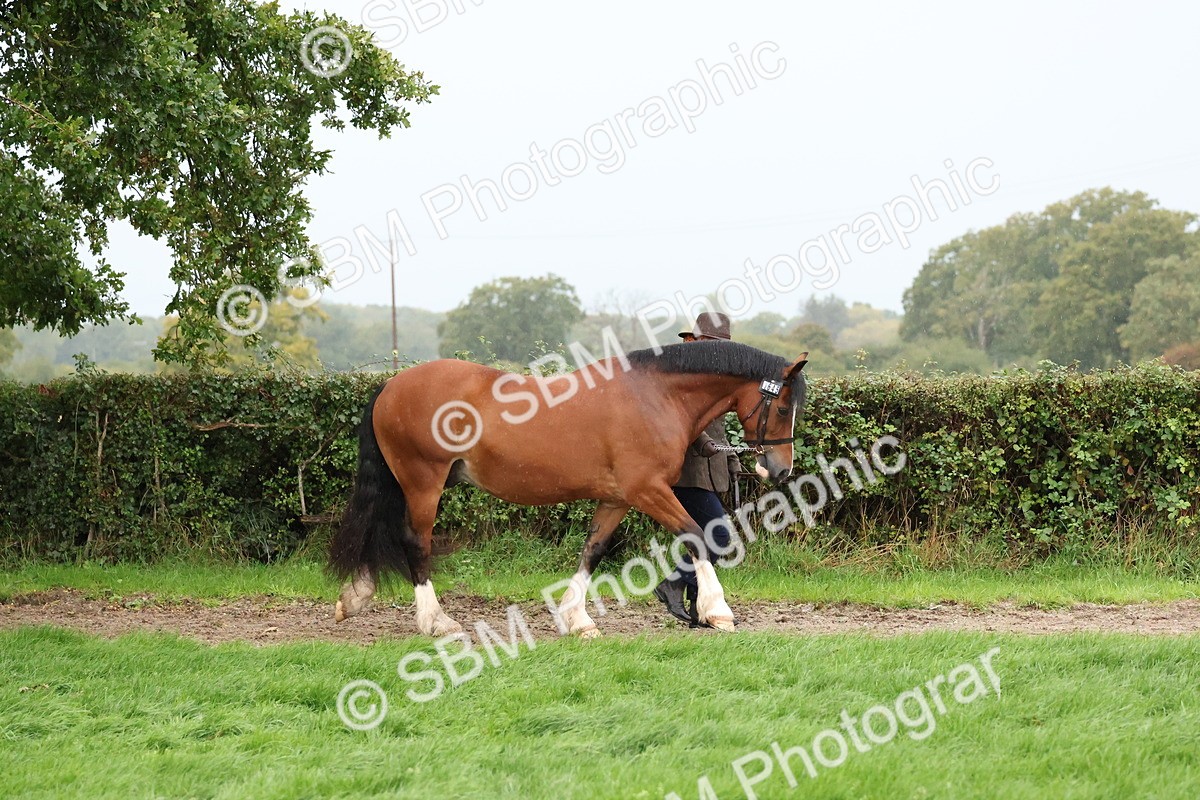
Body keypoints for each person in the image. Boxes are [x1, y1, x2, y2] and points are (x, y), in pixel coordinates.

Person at [653, 311, 743, 627]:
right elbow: (680, 420)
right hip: (686, 472)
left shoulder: (715, 377)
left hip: (711, 470)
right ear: (696, 341)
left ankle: (698, 611)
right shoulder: (681, 376)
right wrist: (703, 442)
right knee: (719, 535)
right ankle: (673, 583)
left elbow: (719, 429)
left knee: (702, 539)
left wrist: (732, 461)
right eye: (714, 344)